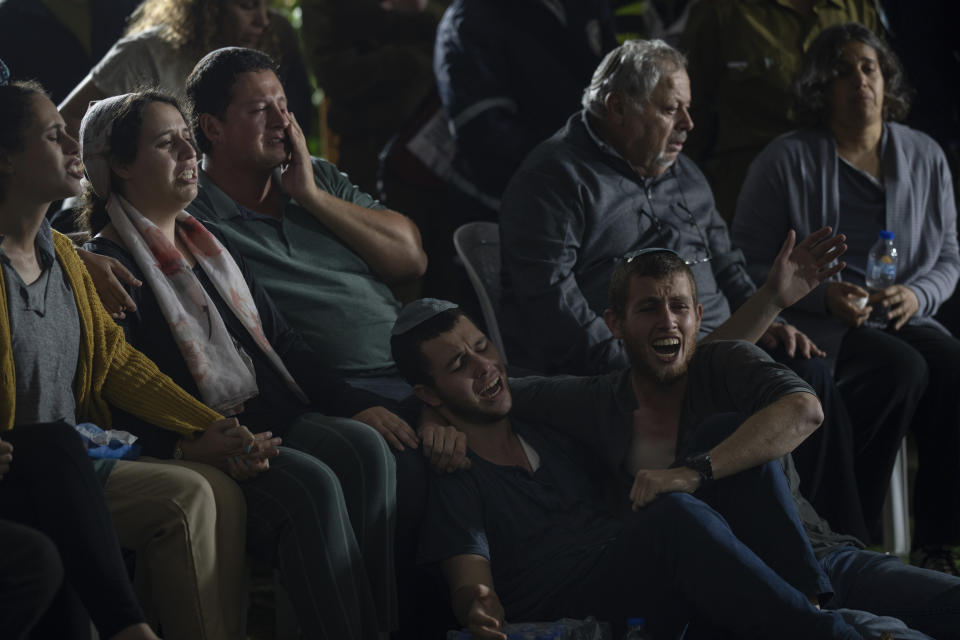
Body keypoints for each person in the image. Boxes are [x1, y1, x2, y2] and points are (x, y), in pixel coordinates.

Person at [498, 38, 869, 539]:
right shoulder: (555, 177)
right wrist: (627, 374)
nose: (688, 126)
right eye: (671, 109)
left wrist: (772, 320)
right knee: (785, 394)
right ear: (617, 107)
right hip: (650, 361)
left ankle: (832, 541)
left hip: (721, 344)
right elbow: (548, 299)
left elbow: (729, 263)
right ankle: (792, 548)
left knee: (815, 370)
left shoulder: (685, 173)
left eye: (688, 109)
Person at [78, 90, 400, 639]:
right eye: (166, 142)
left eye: (187, 137)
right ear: (122, 166)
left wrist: (364, 403)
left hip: (267, 414)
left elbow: (286, 345)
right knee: (312, 485)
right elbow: (116, 390)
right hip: (209, 436)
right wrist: (183, 446)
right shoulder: (109, 270)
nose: (188, 152)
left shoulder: (211, 242)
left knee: (367, 446)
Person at [509, 250, 960, 639]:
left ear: (697, 317)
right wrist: (438, 421)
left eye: (679, 306)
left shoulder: (727, 361)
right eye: (648, 307)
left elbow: (804, 410)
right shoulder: (594, 400)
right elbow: (497, 391)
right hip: (735, 592)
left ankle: (815, 608)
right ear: (616, 324)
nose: (667, 320)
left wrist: (694, 472)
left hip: (821, 561)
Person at [390, 298, 868, 640]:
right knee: (673, 516)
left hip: (640, 563)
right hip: (576, 602)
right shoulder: (456, 472)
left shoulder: (546, 426)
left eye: (481, 346)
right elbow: (470, 580)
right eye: (459, 363)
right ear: (428, 395)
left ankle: (808, 599)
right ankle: (827, 633)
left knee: (721, 432)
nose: (483, 366)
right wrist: (479, 609)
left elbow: (669, 390)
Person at [0, 67, 249, 640]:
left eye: (68, 131)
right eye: (50, 135)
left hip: (73, 462)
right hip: (25, 470)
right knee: (185, 498)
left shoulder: (63, 256)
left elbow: (116, 362)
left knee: (222, 492)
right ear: (6, 160)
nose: (72, 147)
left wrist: (213, 424)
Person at [732, 22, 960, 574]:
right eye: (842, 72)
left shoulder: (925, 154)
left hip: (903, 317)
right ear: (819, 88)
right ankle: (851, 535)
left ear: (886, 80)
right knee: (900, 370)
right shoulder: (785, 160)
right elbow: (743, 260)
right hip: (830, 326)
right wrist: (821, 296)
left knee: (951, 366)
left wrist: (917, 295)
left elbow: (950, 256)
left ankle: (938, 542)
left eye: (869, 67)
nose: (859, 80)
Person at [679, 0, 882, 221]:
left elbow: (879, 90)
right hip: (745, 195)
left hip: (839, 194)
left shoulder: (857, 7)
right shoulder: (721, 10)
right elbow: (690, 110)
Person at [434, 0, 617, 219]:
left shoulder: (585, 6)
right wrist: (584, 169)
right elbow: (487, 141)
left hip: (589, 198)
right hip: (507, 212)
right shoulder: (470, 21)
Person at [57, 0, 312, 137]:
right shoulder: (145, 52)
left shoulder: (253, 61)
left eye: (266, 6)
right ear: (207, 7)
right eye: (247, 5)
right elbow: (66, 121)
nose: (263, 20)